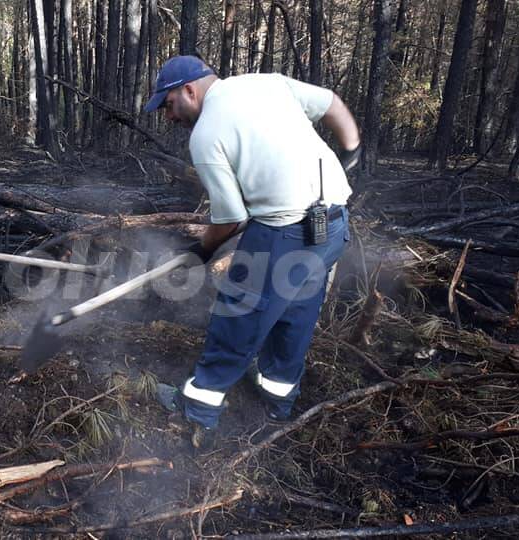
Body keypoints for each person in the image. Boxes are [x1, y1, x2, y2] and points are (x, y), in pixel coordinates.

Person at [144, 56, 361, 448]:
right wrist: (350, 153)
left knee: (238, 315)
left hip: (284, 230)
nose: (169, 116)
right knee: (296, 311)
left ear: (189, 90)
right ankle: (279, 398)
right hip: (334, 224)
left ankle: (197, 406)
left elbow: (230, 217)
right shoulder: (267, 83)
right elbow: (333, 104)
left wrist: (201, 251)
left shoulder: (206, 133)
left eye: (168, 104)